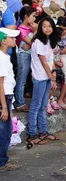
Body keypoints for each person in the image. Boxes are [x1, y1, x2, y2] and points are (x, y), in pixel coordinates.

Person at [28, 17, 60, 147]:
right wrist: (51, 77)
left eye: (50, 26)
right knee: (35, 105)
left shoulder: (48, 41)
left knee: (43, 105)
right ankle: (32, 134)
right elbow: (42, 61)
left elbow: (50, 60)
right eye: (45, 26)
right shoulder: (38, 42)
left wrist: (53, 73)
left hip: (46, 77)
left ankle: (43, 131)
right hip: (40, 77)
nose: (47, 28)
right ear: (40, 27)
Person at [0, 27, 20, 172]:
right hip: (4, 97)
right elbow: (0, 83)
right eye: (12, 38)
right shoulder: (1, 58)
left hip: (7, 96)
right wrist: (4, 107)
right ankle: (2, 162)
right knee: (4, 132)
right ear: (3, 40)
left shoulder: (5, 56)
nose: (14, 40)